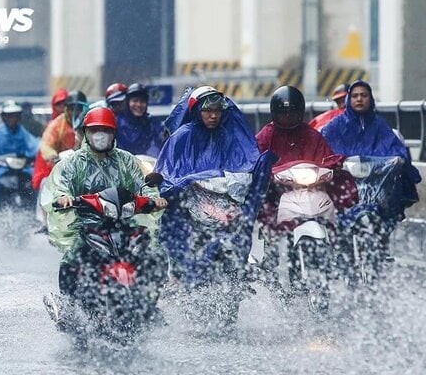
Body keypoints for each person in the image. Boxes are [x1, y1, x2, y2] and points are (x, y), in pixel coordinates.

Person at [40, 106, 167, 305]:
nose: (101, 135)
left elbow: (142, 182)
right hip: (87, 225)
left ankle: (150, 302)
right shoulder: (73, 163)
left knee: (154, 253)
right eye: (95, 130)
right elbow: (60, 186)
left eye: (106, 130)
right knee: (72, 257)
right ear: (85, 133)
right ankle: (69, 306)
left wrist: (154, 199)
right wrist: (64, 198)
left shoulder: (126, 160)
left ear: (114, 133)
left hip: (124, 222)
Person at [155, 86, 276, 284]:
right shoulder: (182, 137)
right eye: (208, 111)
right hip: (192, 211)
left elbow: (247, 167)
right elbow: (167, 175)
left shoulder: (231, 136)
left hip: (226, 208)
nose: (213, 116)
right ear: (197, 111)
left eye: (217, 111)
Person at [256, 85, 357, 230]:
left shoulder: (311, 134)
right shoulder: (267, 135)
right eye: (283, 113)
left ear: (300, 112)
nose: (288, 117)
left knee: (342, 188)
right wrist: (267, 172)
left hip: (312, 187)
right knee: (262, 201)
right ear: (274, 113)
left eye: (293, 113)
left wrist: (335, 164)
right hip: (279, 189)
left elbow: (327, 157)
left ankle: (339, 231)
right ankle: (270, 233)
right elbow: (254, 158)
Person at [322, 79, 421, 225]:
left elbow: (394, 147)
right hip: (345, 181)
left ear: (371, 98)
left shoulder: (380, 124)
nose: (359, 99)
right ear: (350, 99)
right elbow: (324, 146)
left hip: (376, 182)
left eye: (364, 95)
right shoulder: (336, 125)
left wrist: (398, 159)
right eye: (355, 96)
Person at [0, 100, 39, 211]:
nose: (12, 118)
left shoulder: (23, 133)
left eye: (15, 115)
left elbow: (34, 146)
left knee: (33, 183)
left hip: (21, 168)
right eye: (9, 115)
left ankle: (31, 212)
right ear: (4, 117)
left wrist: (35, 156)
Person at [115, 83, 165, 156]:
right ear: (127, 103)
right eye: (135, 101)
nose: (139, 105)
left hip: (148, 164)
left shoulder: (153, 124)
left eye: (142, 101)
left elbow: (159, 144)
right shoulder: (117, 123)